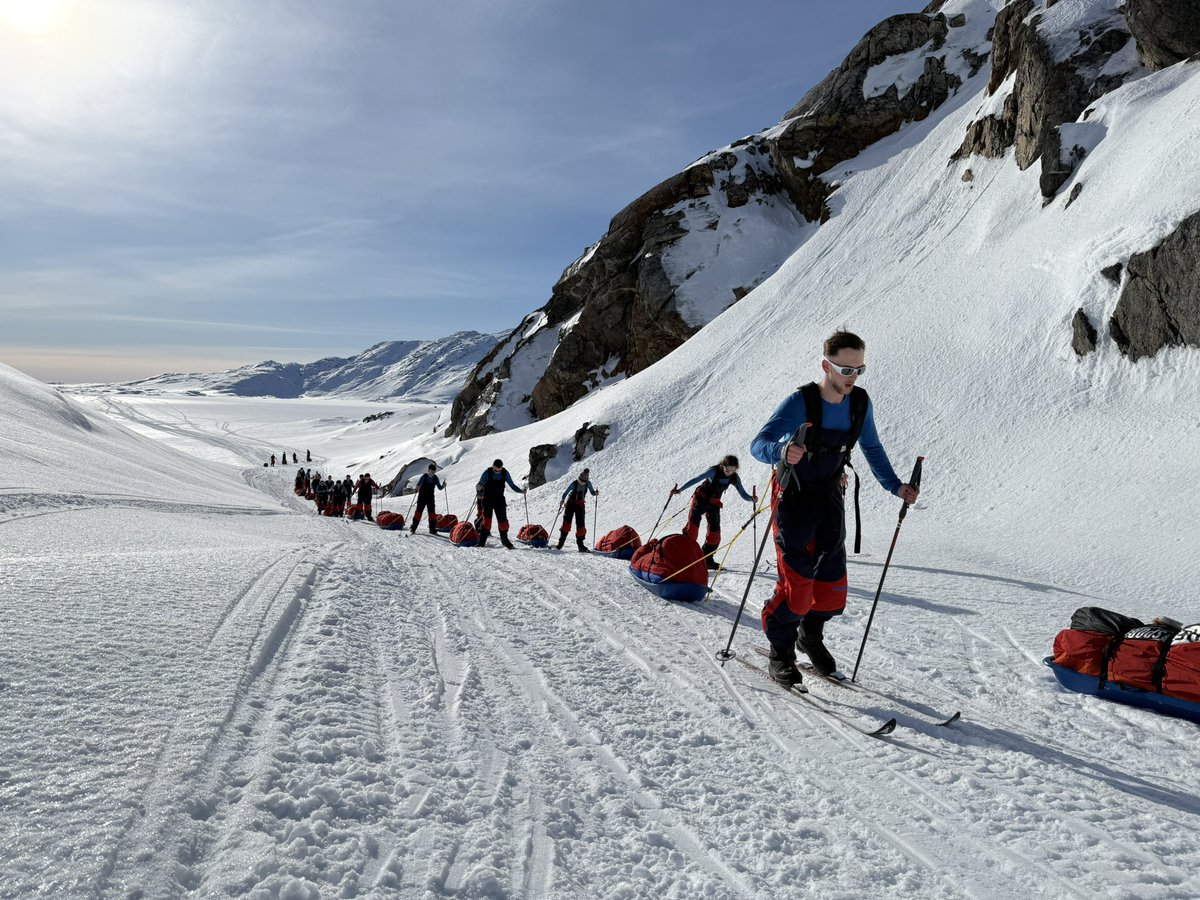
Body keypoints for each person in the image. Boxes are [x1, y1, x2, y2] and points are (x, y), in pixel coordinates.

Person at [750, 330, 919, 686]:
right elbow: (759, 443)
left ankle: (809, 637)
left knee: (830, 589)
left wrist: (895, 486)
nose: (852, 377)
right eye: (845, 369)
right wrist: (780, 452)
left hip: (829, 498)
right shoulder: (801, 401)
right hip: (793, 499)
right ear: (826, 365)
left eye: (859, 370)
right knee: (797, 588)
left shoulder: (859, 403)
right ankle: (781, 652)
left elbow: (871, 448)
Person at [672, 455, 754, 569]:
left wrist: (751, 498)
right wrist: (680, 489)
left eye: (732, 470)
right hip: (700, 499)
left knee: (715, 533)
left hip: (714, 503)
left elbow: (743, 494)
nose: (729, 473)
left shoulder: (734, 478)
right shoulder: (713, 471)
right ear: (722, 465)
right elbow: (696, 479)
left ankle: (707, 560)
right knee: (692, 529)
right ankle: (685, 557)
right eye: (727, 469)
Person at [476, 459, 525, 549]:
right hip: (487, 500)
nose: (498, 472)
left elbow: (512, 485)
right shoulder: (487, 473)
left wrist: (521, 491)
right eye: (496, 470)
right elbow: (479, 485)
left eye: (499, 470)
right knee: (487, 521)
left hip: (499, 500)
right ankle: (481, 541)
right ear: (493, 466)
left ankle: (504, 540)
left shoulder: (505, 473)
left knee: (503, 522)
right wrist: (479, 491)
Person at [557, 468, 598, 552]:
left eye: (586, 476)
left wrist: (595, 493)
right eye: (583, 476)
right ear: (581, 475)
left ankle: (580, 545)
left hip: (580, 505)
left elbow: (592, 492)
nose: (584, 478)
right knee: (567, 523)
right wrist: (562, 500)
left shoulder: (587, 484)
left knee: (580, 525)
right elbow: (566, 492)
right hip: (571, 504)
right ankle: (560, 544)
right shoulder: (575, 483)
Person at [411, 464, 445, 534]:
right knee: (419, 512)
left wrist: (444, 485)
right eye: (431, 471)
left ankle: (432, 529)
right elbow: (418, 484)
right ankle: (413, 528)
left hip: (430, 498)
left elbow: (440, 487)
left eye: (434, 472)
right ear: (428, 471)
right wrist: (416, 488)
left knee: (432, 514)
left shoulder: (435, 478)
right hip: (422, 497)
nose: (432, 473)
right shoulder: (424, 476)